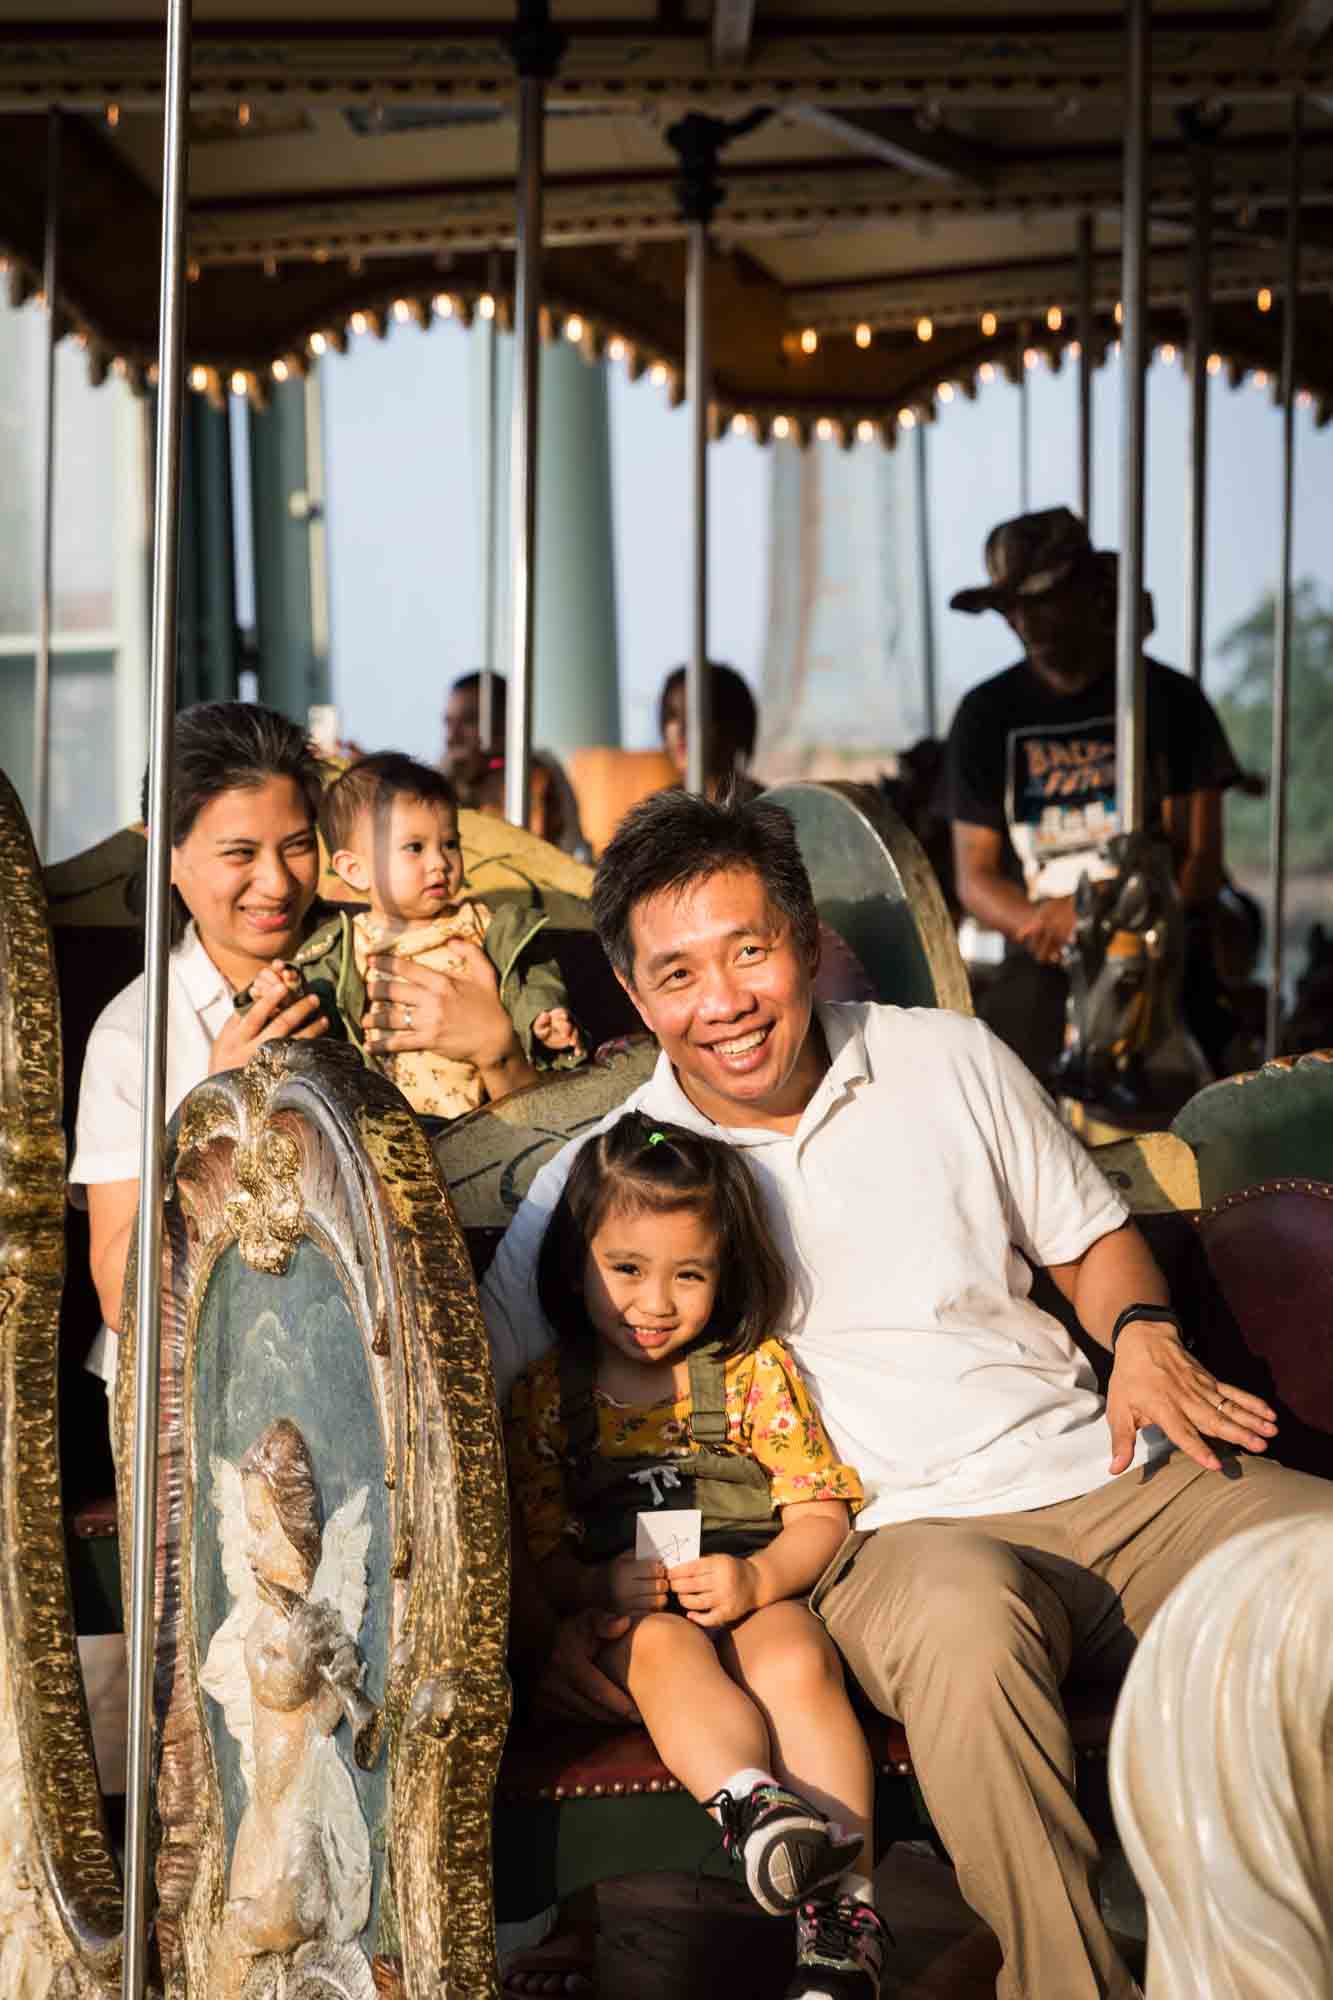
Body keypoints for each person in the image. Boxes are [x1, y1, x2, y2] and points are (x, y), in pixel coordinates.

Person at [482, 785, 1333, 2000]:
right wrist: (543, 1609)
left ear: (803, 936)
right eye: (676, 974)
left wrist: (1141, 1332)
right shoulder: (614, 1178)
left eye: (747, 951)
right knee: (966, 1636)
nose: (720, 1001)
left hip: (1100, 1467)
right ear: (631, 990)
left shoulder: (945, 1057)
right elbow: (470, 1411)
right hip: (885, 1535)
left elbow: (1091, 1244)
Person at [507, 1110, 888, 2000]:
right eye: (627, 1270)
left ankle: (844, 1913)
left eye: (689, 1275)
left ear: (725, 1274)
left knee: (796, 1653)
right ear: (577, 1263)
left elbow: (819, 1510)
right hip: (627, 1622)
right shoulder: (545, 1396)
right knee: (662, 1644)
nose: (655, 1303)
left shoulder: (752, 1373)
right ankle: (754, 1808)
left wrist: (761, 1577)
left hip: (750, 1592)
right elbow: (537, 1554)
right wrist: (596, 1582)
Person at [70, 702, 332, 1404]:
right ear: (168, 856)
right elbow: (118, 1291)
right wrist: (217, 1104)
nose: (276, 883)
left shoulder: (378, 978)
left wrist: (494, 1054)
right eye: (240, 854)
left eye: (298, 845)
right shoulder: (134, 1035)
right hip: (191, 1388)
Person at [940, 510, 1242, 1080]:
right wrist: (1042, 921)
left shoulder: (1170, 702)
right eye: (1014, 608)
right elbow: (974, 876)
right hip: (1045, 955)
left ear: (1091, 593)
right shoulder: (986, 715)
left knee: (1206, 1085)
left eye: (1045, 600)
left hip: (1158, 955)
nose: (1028, 623)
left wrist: (1101, 913)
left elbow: (1199, 863)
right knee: (994, 1083)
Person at [294, 751, 584, 1120]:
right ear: (355, 870)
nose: (440, 863)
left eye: (449, 844)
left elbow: (530, 973)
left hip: (484, 1119)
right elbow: (310, 1004)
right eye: (415, 848)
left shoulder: (482, 924)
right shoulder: (344, 946)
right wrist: (281, 988)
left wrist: (543, 1014)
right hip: (385, 1129)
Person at [443, 670, 588, 857]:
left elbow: (550, 843)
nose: (452, 737)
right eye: (448, 723)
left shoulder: (537, 774)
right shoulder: (442, 781)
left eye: (469, 721)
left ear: (504, 722)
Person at [658, 662, 763, 803]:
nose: (680, 729)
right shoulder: (659, 811)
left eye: (694, 714)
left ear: (734, 723)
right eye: (672, 715)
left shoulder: (768, 808)